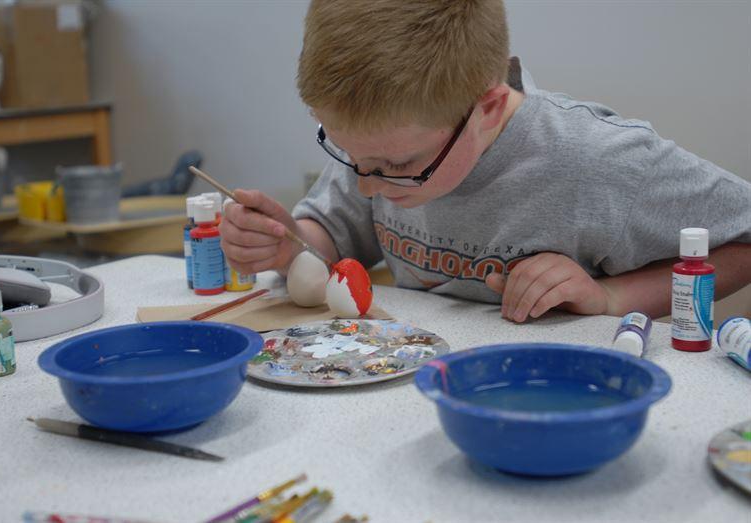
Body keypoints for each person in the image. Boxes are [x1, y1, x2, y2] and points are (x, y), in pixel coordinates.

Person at [220, 0, 751, 322]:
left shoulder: (599, 160)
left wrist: (610, 298)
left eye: (396, 166)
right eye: (348, 155)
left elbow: (743, 237)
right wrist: (287, 244)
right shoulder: (381, 144)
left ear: (489, 107)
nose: (366, 186)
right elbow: (333, 235)